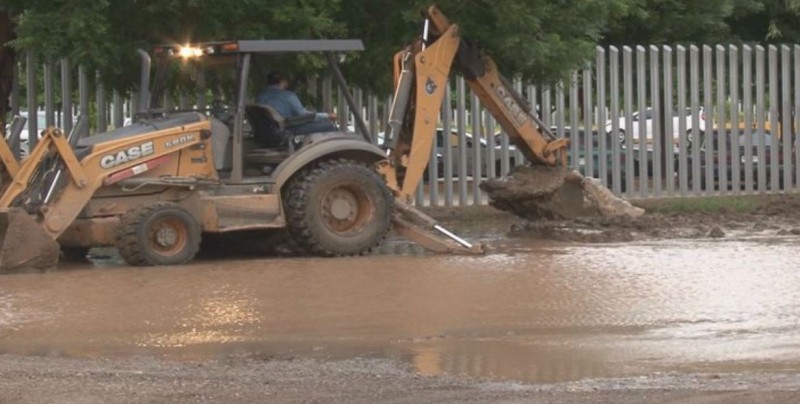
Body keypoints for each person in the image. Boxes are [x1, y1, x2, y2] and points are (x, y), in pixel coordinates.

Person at [256, 72, 338, 135]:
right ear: (283, 82)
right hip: (286, 130)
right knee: (328, 125)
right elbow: (303, 115)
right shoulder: (288, 95)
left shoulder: (260, 96)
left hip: (266, 132)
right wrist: (327, 115)